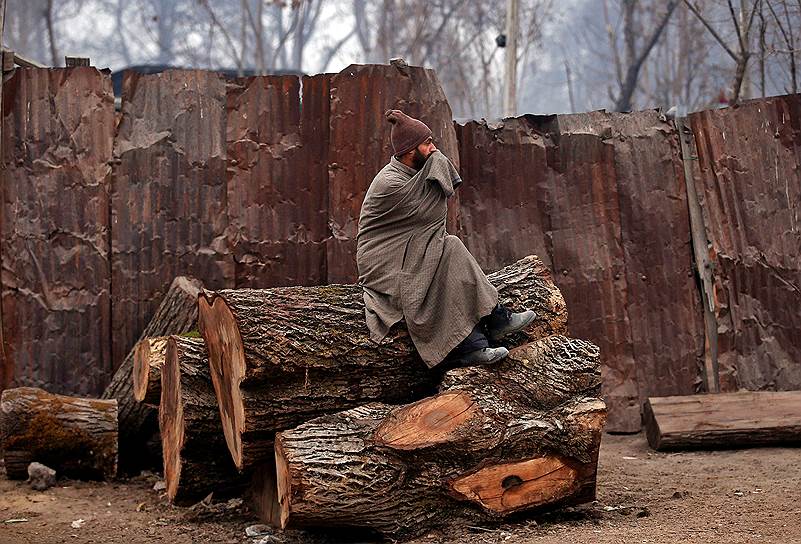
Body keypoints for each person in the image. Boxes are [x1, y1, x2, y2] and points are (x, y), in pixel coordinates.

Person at [356, 109, 536, 368]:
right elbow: (433, 209)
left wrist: (434, 158)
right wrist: (437, 162)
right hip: (383, 263)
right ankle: (491, 326)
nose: (434, 149)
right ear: (409, 152)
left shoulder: (414, 172)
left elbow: (440, 188)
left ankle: (481, 338)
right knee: (446, 251)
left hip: (410, 249)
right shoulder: (390, 182)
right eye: (427, 144)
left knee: (449, 248)